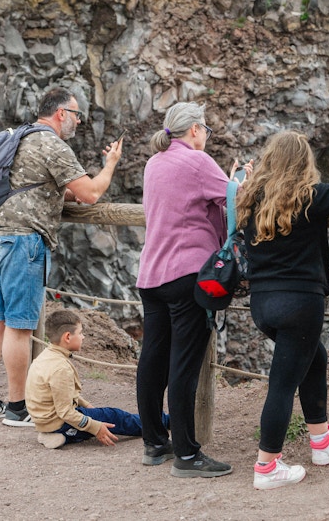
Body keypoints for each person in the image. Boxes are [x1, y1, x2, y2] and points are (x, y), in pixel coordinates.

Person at [0, 88, 123, 428]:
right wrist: (110, 163)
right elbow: (91, 194)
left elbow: (53, 187)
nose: (79, 120)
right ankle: (17, 407)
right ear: (61, 113)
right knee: (20, 327)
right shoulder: (52, 144)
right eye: (76, 113)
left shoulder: (20, 137)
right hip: (22, 241)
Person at [236, 130, 329, 490]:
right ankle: (267, 467)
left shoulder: (252, 201)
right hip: (300, 303)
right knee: (283, 385)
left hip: (263, 306)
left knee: (314, 358)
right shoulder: (312, 197)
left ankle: (322, 442)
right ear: (304, 163)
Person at [136, 101, 248, 479]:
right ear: (196, 130)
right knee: (183, 366)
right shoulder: (198, 161)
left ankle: (154, 442)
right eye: (207, 131)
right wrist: (241, 181)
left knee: (153, 360)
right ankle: (186, 454)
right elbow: (237, 200)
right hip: (186, 277)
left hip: (151, 275)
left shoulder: (155, 162)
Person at [25, 309, 170, 448]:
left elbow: (62, 395)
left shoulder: (46, 356)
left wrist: (86, 405)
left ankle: (57, 433)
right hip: (59, 422)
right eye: (80, 333)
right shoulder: (60, 368)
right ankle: (167, 421)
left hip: (44, 420)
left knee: (100, 415)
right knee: (116, 417)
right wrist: (95, 427)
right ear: (67, 337)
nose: (83, 337)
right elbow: (66, 412)